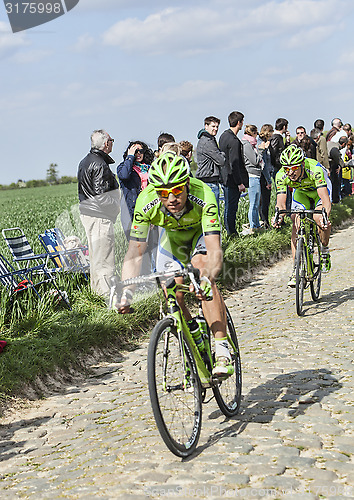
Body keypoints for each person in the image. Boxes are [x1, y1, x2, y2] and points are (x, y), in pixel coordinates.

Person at [118, 152, 234, 378]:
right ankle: (193, 337)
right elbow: (134, 252)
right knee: (171, 289)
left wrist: (208, 276)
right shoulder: (146, 202)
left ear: (187, 184)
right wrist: (127, 292)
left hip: (200, 235)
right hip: (172, 241)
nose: (171, 198)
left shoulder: (204, 194)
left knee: (201, 272)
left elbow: (214, 250)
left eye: (177, 190)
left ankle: (222, 350)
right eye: (163, 193)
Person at [272, 144, 332, 287]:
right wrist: (278, 215)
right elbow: (281, 202)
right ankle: (296, 269)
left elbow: (325, 200)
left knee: (319, 218)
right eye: (287, 169)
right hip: (301, 194)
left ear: (302, 164)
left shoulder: (315, 169)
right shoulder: (281, 175)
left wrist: (324, 216)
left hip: (319, 192)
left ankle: (324, 249)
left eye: (293, 168)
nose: (290, 172)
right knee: (296, 222)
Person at [78, 129, 120, 297]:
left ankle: (96, 293)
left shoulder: (85, 161)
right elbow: (101, 196)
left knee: (96, 257)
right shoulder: (100, 164)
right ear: (105, 144)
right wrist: (116, 206)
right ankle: (106, 297)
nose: (112, 143)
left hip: (88, 214)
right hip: (100, 217)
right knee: (104, 258)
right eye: (111, 140)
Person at [117, 141, 155, 239]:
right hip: (132, 212)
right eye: (135, 151)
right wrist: (130, 157)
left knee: (152, 246)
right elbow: (124, 176)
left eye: (140, 151)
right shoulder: (124, 167)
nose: (138, 154)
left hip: (149, 208)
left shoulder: (150, 168)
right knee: (137, 247)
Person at [219, 111, 248, 235]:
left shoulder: (223, 136)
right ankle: (232, 233)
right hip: (232, 179)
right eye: (242, 122)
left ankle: (228, 231)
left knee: (227, 208)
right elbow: (235, 163)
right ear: (239, 123)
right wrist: (240, 183)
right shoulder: (234, 141)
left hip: (224, 177)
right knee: (232, 208)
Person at [195, 116, 225, 210]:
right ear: (206, 126)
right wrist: (223, 153)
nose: (215, 129)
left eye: (217, 127)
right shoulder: (207, 141)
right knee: (213, 212)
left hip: (207, 180)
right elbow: (221, 160)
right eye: (213, 126)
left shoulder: (208, 139)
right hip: (209, 181)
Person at [241, 124, 264, 235]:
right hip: (252, 175)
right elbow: (254, 161)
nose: (256, 137)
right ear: (253, 133)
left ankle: (256, 226)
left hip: (255, 175)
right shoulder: (247, 145)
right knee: (253, 203)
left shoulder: (250, 144)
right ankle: (253, 227)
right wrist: (260, 151)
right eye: (256, 134)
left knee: (255, 202)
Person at [258, 124, 274, 229]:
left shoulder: (261, 142)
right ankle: (265, 223)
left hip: (263, 176)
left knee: (262, 202)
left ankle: (264, 222)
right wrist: (269, 180)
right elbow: (263, 165)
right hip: (263, 177)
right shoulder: (262, 144)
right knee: (264, 201)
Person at [327, 136, 348, 203]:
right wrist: (342, 164)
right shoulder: (335, 149)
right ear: (344, 144)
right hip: (330, 166)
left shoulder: (330, 143)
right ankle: (334, 201)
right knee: (334, 183)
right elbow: (338, 158)